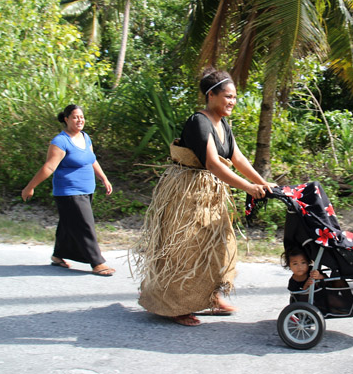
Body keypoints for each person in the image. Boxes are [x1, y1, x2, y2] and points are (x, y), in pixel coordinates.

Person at [133, 68, 276, 326]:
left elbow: (237, 158)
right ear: (211, 95)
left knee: (219, 246)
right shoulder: (199, 122)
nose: (232, 101)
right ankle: (174, 305)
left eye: (234, 97)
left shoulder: (224, 125)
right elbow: (212, 163)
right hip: (187, 196)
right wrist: (247, 187)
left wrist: (263, 183)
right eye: (228, 96)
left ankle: (212, 296)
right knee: (185, 251)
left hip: (212, 195)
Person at [21, 104, 115, 276]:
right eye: (75, 117)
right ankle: (97, 262)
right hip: (69, 192)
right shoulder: (60, 141)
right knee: (85, 225)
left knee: (67, 223)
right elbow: (49, 167)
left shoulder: (86, 138)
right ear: (66, 119)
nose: (80, 120)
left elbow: (92, 159)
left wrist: (104, 178)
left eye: (81, 117)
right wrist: (30, 187)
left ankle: (58, 255)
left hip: (86, 190)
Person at [283, 247, 351, 312]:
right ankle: (344, 306)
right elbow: (299, 299)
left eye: (303, 263)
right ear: (289, 265)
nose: (300, 267)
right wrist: (306, 286)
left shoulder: (312, 270)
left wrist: (320, 276)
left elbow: (328, 281)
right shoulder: (292, 282)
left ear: (308, 263)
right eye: (295, 264)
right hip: (315, 302)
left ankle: (351, 300)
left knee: (339, 280)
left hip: (325, 292)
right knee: (337, 302)